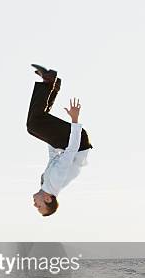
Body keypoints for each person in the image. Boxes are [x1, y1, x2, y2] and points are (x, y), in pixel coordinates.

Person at [26, 64, 93, 216]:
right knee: (34, 124)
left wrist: (46, 135)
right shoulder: (56, 181)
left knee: (34, 125)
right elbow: (71, 151)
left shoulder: (46, 184)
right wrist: (75, 120)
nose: (35, 205)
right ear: (48, 199)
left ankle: (52, 85)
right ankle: (50, 83)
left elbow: (53, 156)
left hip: (68, 143)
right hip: (77, 142)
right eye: (39, 207)